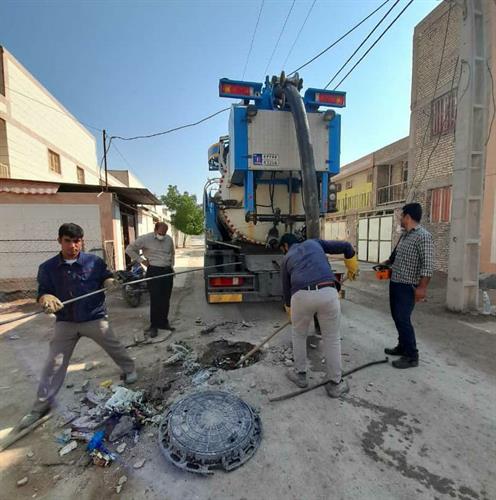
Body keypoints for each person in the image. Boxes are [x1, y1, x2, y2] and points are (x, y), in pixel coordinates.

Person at [17, 223, 137, 430]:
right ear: (59, 241)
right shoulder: (48, 268)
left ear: (82, 241)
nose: (73, 245)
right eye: (68, 241)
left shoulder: (94, 262)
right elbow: (42, 292)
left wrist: (109, 282)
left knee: (114, 345)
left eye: (77, 241)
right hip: (66, 321)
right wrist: (46, 298)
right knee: (53, 364)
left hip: (93, 317)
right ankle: (39, 407)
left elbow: (106, 276)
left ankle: (130, 370)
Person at [279, 234, 359, 398]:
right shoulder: (315, 243)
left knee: (299, 335)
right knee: (331, 338)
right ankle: (335, 384)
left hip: (301, 295)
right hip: (328, 291)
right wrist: (352, 268)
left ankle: (300, 375)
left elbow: (287, 292)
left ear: (286, 246)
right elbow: (346, 247)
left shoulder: (287, 258)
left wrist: (291, 314)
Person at [383, 203, 434, 369]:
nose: (400, 218)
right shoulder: (405, 235)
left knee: (403, 319)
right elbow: (396, 256)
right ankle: (402, 346)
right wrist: (387, 263)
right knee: (397, 317)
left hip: (408, 286)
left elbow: (428, 265)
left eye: (401, 216)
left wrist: (422, 288)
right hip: (396, 283)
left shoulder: (423, 236)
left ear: (408, 217)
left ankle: (412, 356)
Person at [126, 222, 175, 337]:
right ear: (155, 229)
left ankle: (164, 322)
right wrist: (142, 261)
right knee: (156, 299)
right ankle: (154, 326)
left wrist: (172, 267)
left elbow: (172, 253)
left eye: (165, 233)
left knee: (165, 299)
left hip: (167, 271)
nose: (162, 235)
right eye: (160, 233)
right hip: (154, 271)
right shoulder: (145, 239)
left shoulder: (168, 239)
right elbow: (129, 249)